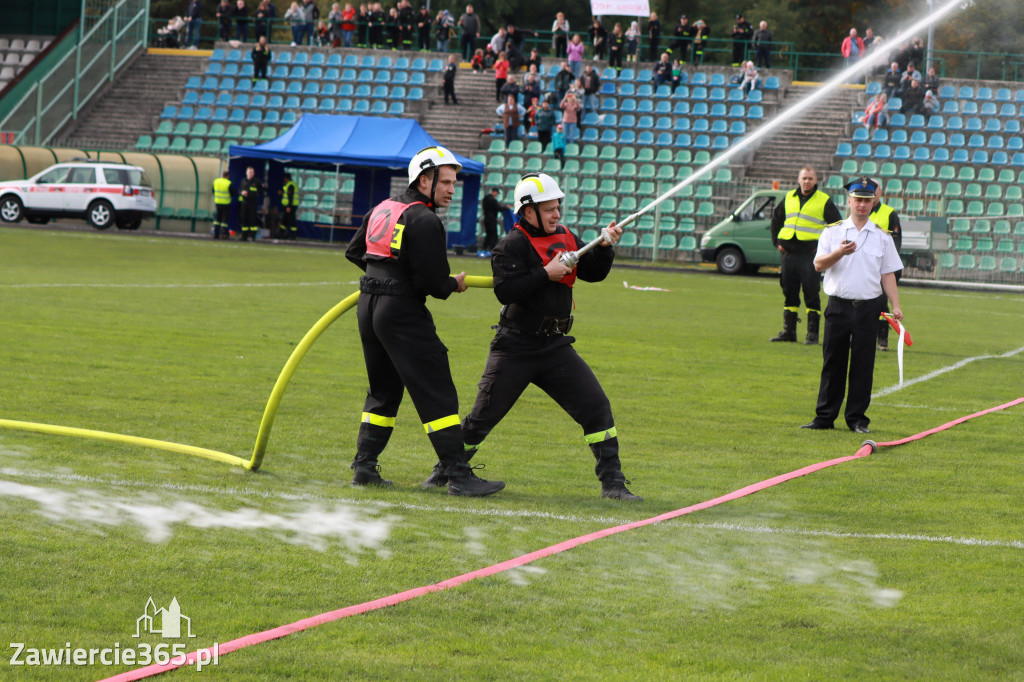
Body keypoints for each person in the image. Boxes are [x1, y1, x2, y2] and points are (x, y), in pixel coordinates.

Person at [457, 173, 641, 501]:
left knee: (596, 407)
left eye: (558, 207)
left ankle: (613, 483)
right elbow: (505, 290)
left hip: (555, 346)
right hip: (515, 346)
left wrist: (603, 248)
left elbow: (592, 274)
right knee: (482, 418)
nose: (556, 214)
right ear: (528, 212)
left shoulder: (567, 235)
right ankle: (449, 472)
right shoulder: (511, 245)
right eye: (549, 209)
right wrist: (546, 273)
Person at [345, 146, 504, 497]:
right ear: (424, 180)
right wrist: (453, 284)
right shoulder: (426, 220)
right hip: (401, 313)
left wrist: (383, 278)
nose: (451, 189)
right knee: (437, 390)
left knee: (382, 390)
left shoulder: (382, 208)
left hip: (368, 307)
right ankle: (459, 476)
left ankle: (364, 467)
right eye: (446, 182)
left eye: (454, 183)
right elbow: (436, 284)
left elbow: (355, 252)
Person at [802, 178, 903, 433]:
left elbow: (888, 273)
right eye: (858, 200)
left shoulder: (882, 236)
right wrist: (839, 253)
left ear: (873, 202)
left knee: (863, 364)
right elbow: (818, 265)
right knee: (832, 362)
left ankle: (857, 419)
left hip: (869, 307)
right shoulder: (833, 231)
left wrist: (896, 304)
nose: (862, 205)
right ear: (849, 201)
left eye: (867, 201)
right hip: (838, 306)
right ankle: (824, 417)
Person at [769, 166, 843, 345]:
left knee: (811, 293)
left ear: (816, 180)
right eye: (804, 178)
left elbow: (837, 226)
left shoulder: (823, 200)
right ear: (798, 179)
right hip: (789, 254)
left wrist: (826, 250)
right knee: (789, 292)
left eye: (810, 178)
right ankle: (789, 331)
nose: (807, 181)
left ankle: (812, 334)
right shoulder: (788, 198)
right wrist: (777, 242)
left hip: (810, 255)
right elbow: (776, 219)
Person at [869, 182, 903, 351]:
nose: (872, 194)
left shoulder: (889, 213)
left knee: (882, 303)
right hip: (865, 267)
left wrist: (889, 264)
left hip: (883, 268)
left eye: (875, 190)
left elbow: (895, 241)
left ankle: (882, 339)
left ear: (880, 192)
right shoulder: (860, 211)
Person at [239, 166, 264, 241]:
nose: (250, 173)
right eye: (249, 172)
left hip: (253, 203)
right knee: (244, 219)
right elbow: (239, 190)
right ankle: (244, 236)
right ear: (246, 172)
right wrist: (242, 193)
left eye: (252, 172)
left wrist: (254, 194)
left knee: (253, 219)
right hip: (244, 203)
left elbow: (261, 190)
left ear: (254, 173)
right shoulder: (243, 181)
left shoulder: (257, 182)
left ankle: (253, 236)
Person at [481, 186, 506, 255]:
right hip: (491, 219)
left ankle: (484, 248)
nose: (497, 194)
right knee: (493, 235)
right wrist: (506, 208)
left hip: (486, 218)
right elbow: (498, 208)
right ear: (494, 192)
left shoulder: (485, 198)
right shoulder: (492, 200)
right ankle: (492, 249)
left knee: (488, 234)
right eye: (497, 193)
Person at [211, 171, 234, 240]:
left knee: (217, 218)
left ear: (222, 175)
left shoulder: (216, 181)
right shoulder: (228, 183)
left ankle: (215, 234)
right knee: (224, 219)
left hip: (217, 202)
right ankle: (223, 234)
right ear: (228, 176)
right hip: (226, 203)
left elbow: (213, 191)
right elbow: (233, 193)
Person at [278, 172, 298, 239]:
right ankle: (281, 234)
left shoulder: (290, 185)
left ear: (287, 178)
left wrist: (289, 206)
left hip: (291, 206)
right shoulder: (288, 185)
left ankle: (293, 236)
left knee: (291, 220)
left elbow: (290, 196)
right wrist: (282, 193)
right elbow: (287, 194)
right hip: (288, 206)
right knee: (285, 220)